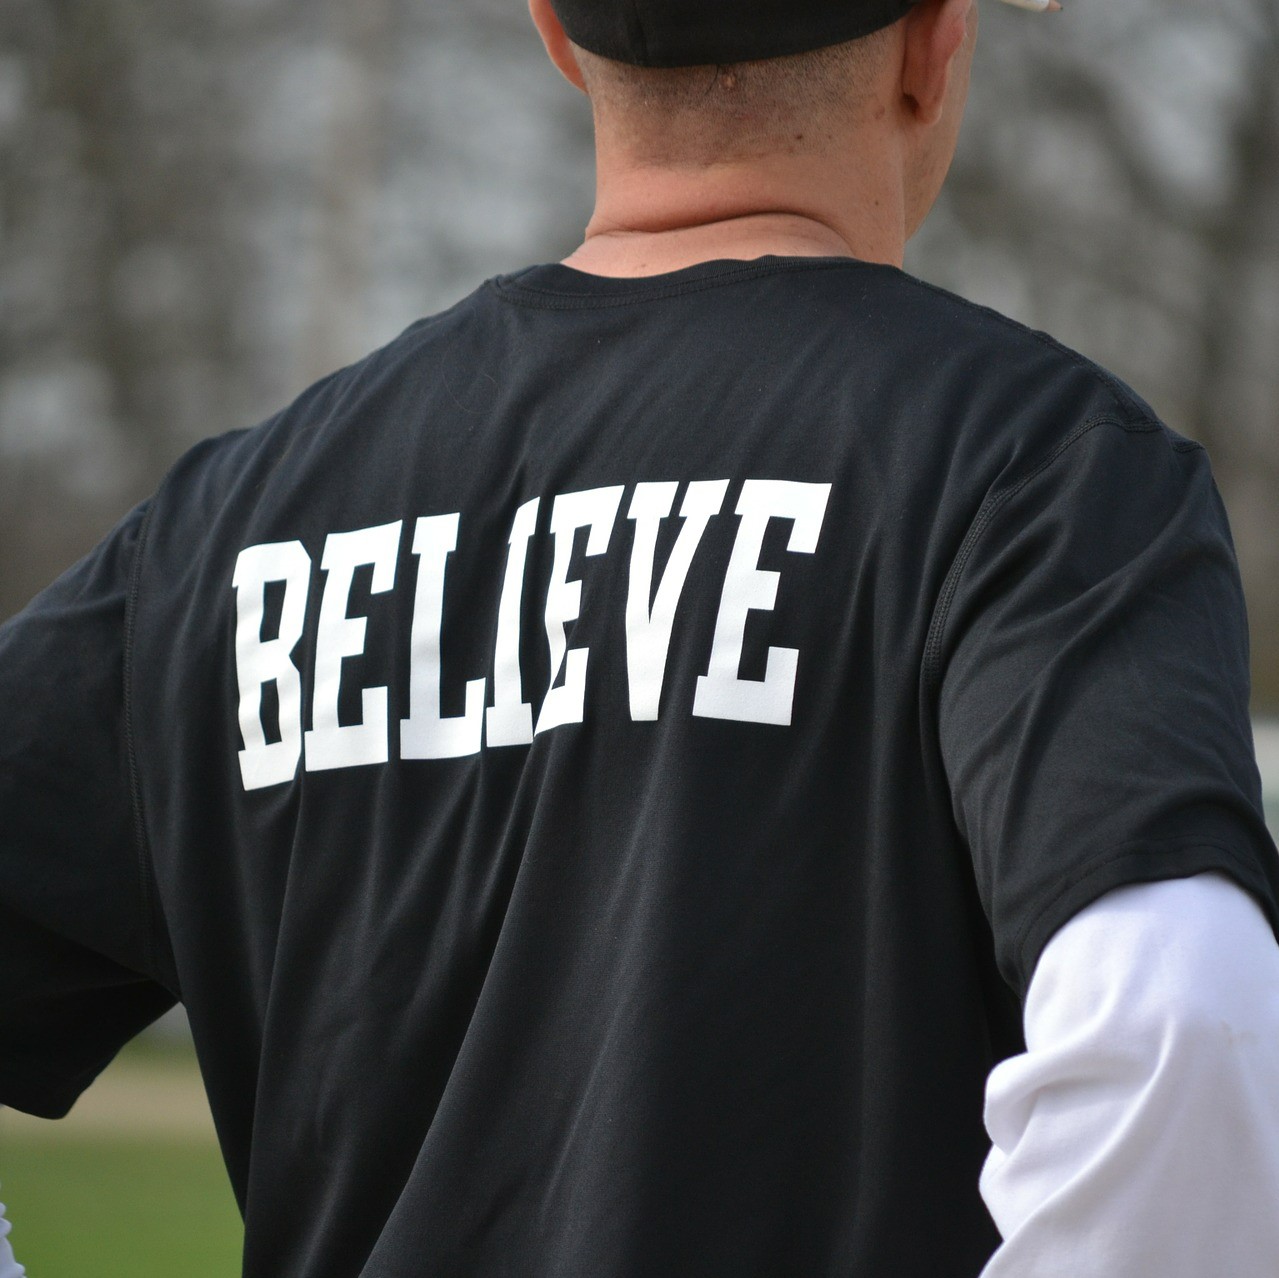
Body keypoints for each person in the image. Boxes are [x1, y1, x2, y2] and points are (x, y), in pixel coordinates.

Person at [3, 0, 1279, 1273]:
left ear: (555, 32)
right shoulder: (1031, 469)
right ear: (931, 44)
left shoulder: (229, 530)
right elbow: (1181, 1015)